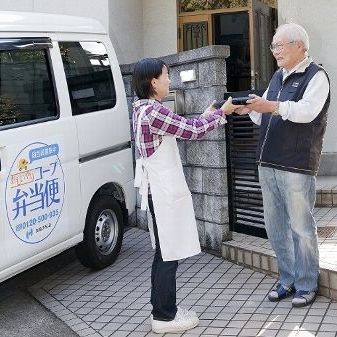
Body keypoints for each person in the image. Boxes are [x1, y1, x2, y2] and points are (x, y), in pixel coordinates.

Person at [132, 58, 237, 333]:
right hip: (164, 192)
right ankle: (164, 316)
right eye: (167, 76)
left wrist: (207, 115)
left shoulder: (143, 110)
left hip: (159, 191)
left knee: (165, 253)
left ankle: (162, 310)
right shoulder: (154, 112)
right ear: (153, 81)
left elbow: (182, 125)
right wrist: (222, 114)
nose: (170, 81)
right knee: (168, 254)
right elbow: (190, 131)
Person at [237, 23, 330, 307]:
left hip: (296, 165)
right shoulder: (278, 76)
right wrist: (251, 110)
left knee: (301, 227)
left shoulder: (317, 76)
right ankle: (287, 280)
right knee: (275, 227)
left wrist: (272, 107)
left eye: (279, 46)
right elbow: (265, 115)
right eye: (273, 47)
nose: (274, 51)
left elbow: (307, 112)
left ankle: (306, 284)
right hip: (268, 164)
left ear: (299, 46)